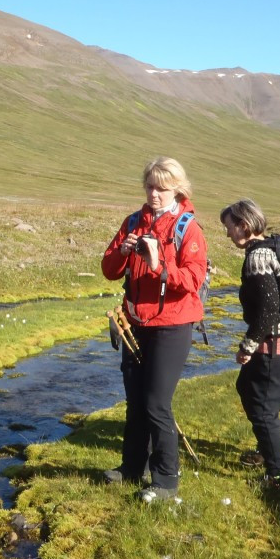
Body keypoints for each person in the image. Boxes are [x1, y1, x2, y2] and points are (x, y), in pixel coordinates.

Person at [101, 157, 208, 501]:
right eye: (149, 186)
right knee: (135, 400)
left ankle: (166, 479)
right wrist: (123, 250)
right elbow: (108, 269)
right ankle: (132, 467)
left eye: (161, 188)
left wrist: (160, 266)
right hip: (136, 323)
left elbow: (192, 280)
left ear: (177, 189)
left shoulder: (188, 229)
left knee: (156, 403)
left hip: (173, 325)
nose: (154, 194)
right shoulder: (133, 222)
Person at [220, 198, 280, 488]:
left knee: (263, 409)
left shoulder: (258, 257)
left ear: (244, 225)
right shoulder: (274, 247)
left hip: (278, 342)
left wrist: (248, 346)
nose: (228, 233)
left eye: (230, 227)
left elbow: (268, 310)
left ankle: (278, 476)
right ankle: (265, 449)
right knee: (246, 387)